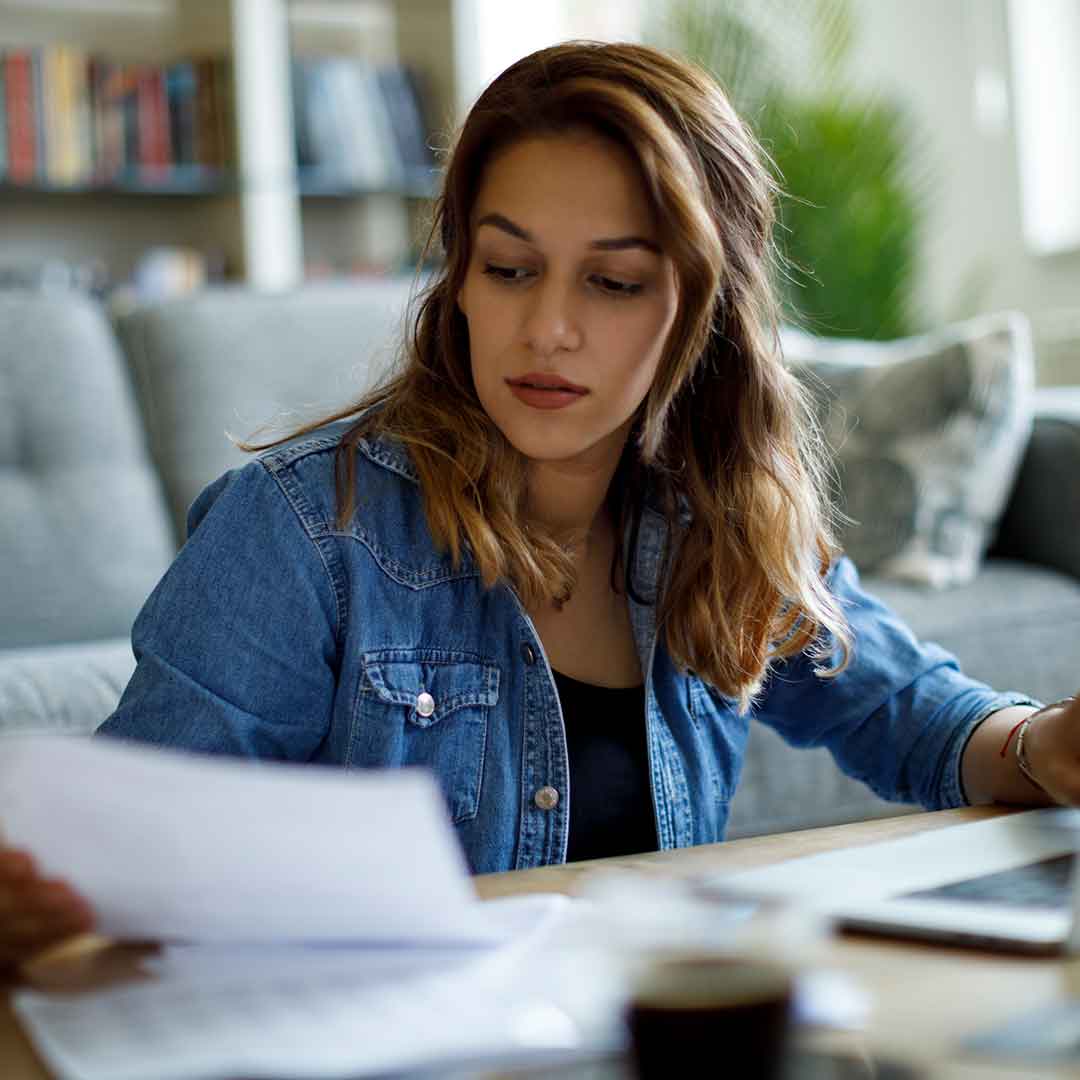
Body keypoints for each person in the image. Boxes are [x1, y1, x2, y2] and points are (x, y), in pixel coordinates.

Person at [1, 40, 1076, 971]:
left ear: (704, 308)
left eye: (612, 283)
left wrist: (1040, 744)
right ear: (459, 279)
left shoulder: (716, 521)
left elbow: (915, 718)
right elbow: (123, 854)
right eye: (511, 268)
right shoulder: (298, 530)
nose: (547, 330)